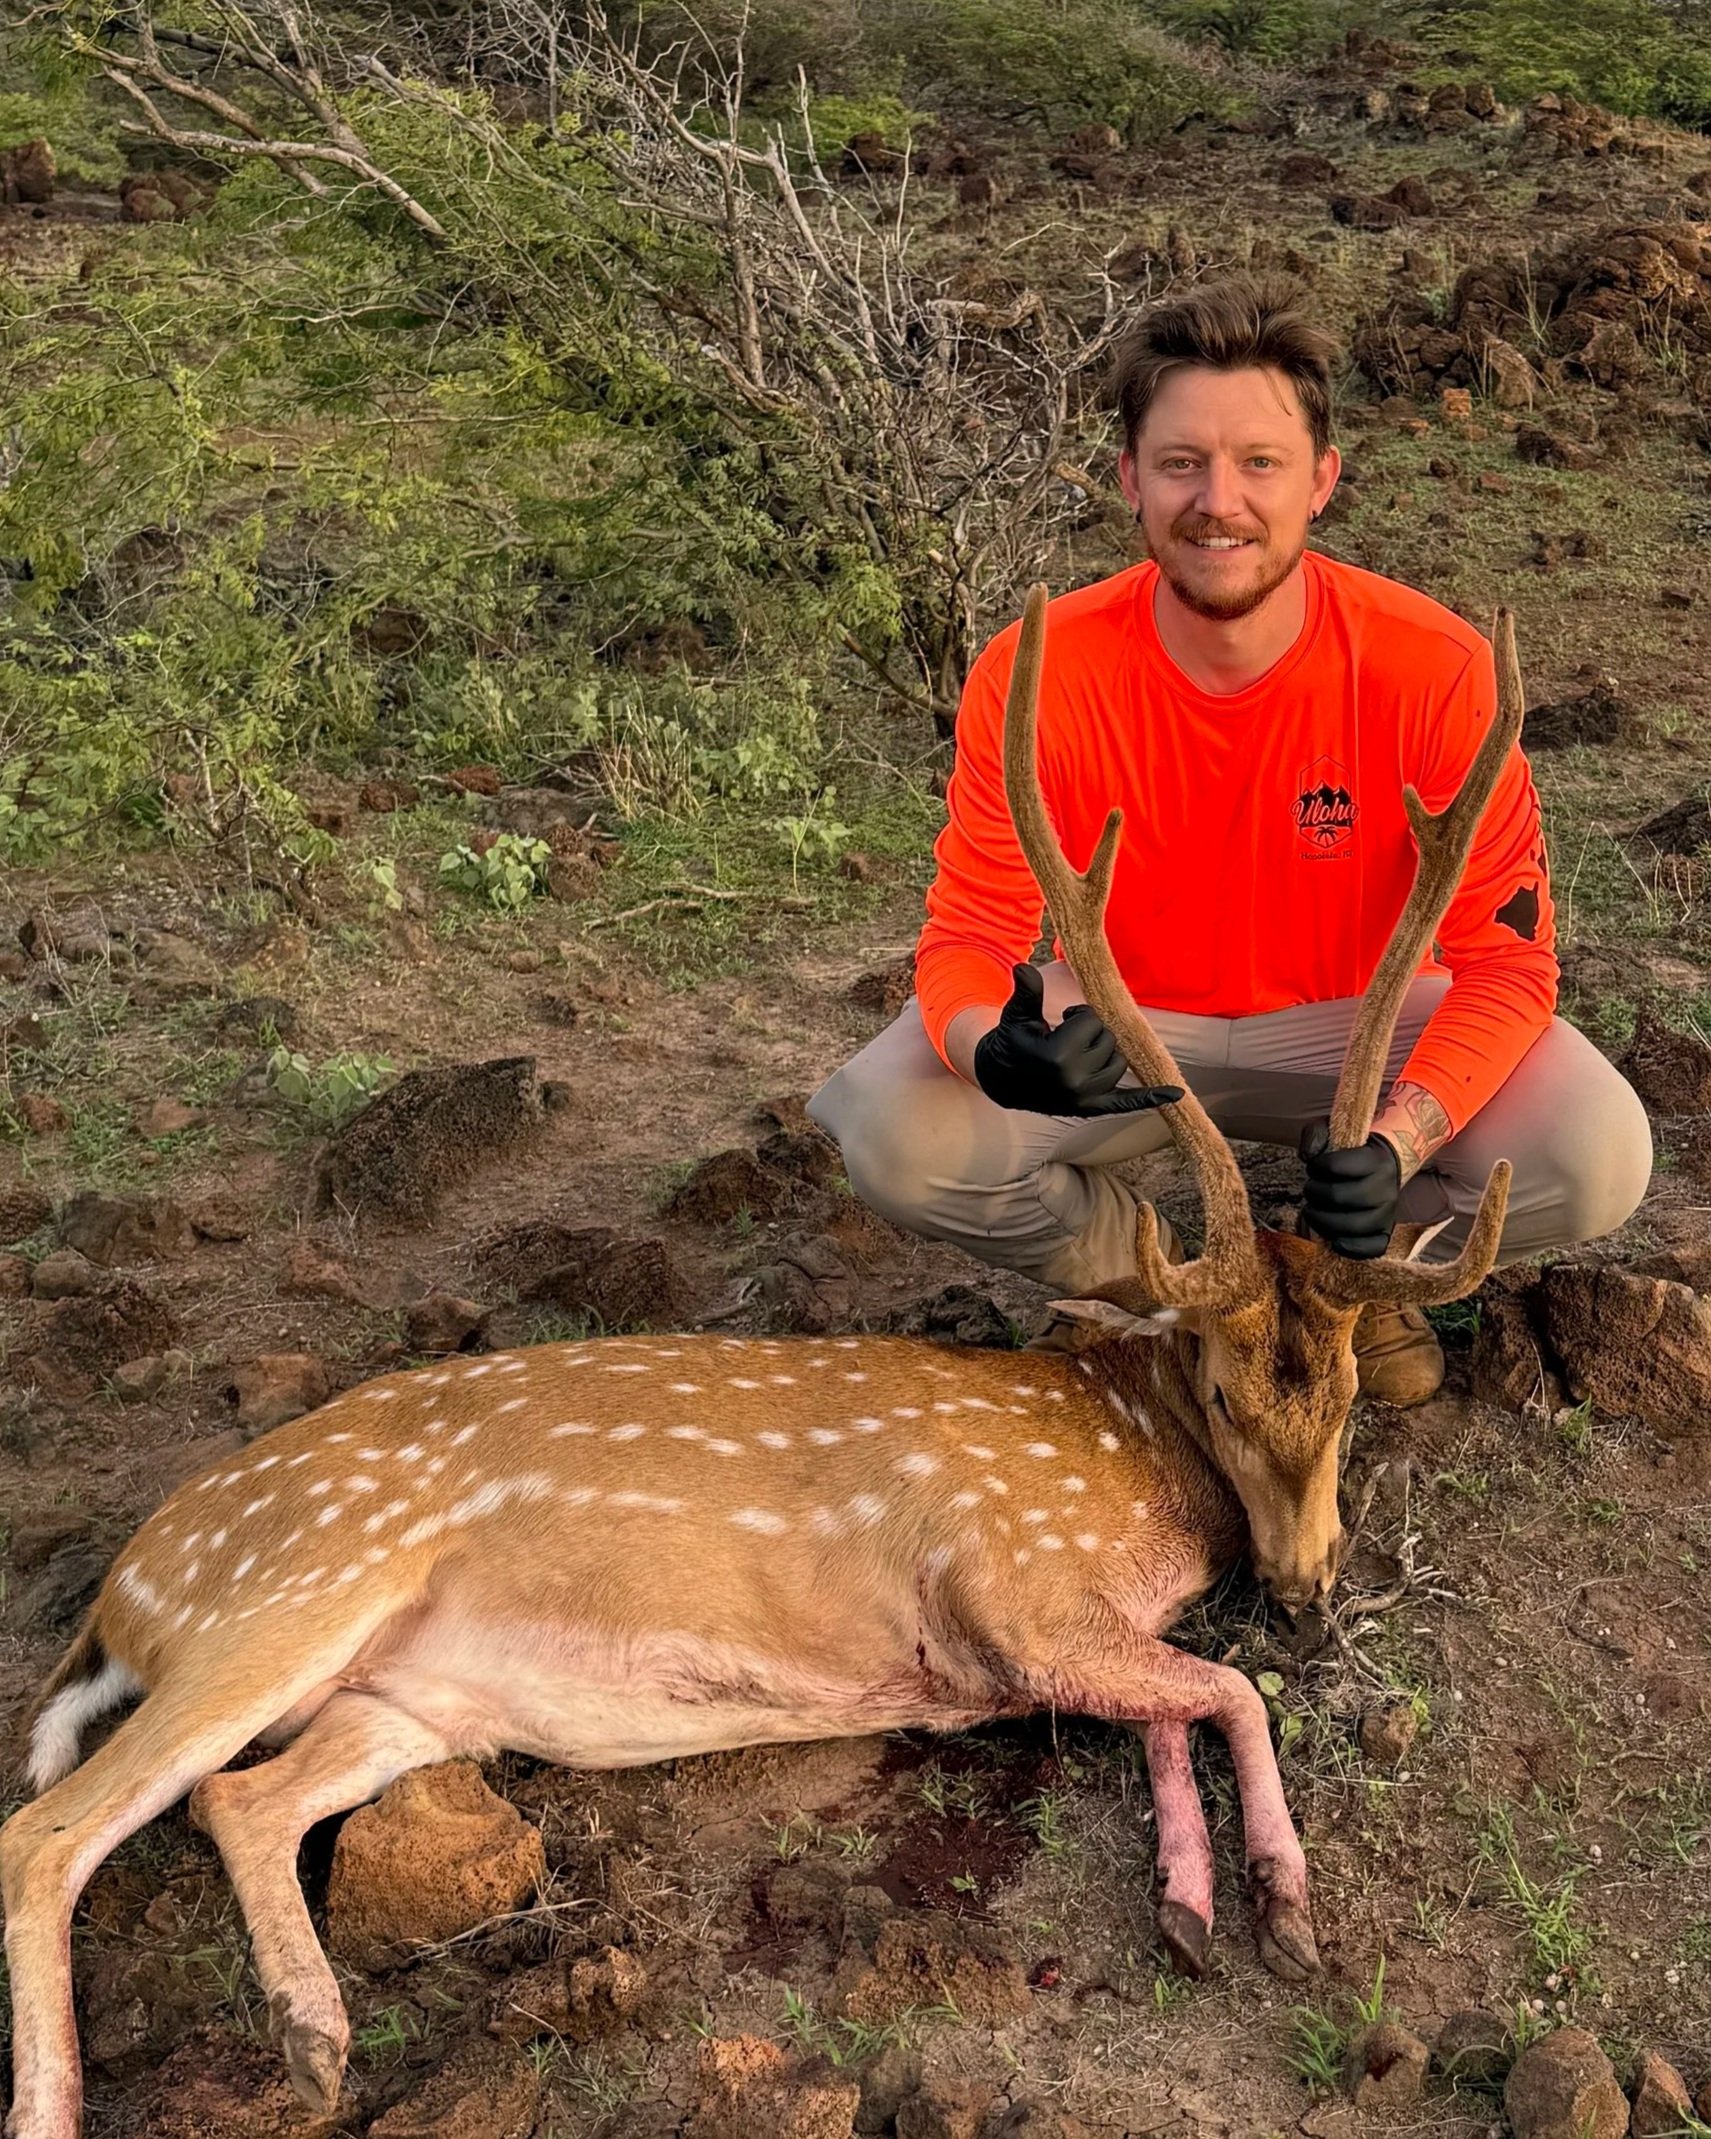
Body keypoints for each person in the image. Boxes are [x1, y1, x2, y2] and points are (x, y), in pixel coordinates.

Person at [809, 273, 1653, 1408]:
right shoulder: (1036, 672)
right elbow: (971, 929)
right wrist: (989, 1050)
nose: (1220, 501)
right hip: (1125, 1035)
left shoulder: (1434, 673)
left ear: (1321, 481)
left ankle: (1346, 1273)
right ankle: (1172, 1290)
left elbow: (1508, 964)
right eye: (1180, 463)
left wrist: (1399, 1143)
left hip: (1351, 1042)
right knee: (888, 1127)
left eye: (1259, 462)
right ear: (1129, 480)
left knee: (1593, 1153)